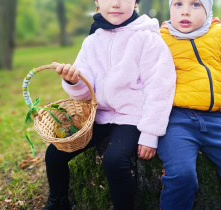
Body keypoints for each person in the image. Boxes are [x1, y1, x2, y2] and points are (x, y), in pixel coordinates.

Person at [43, 0, 176, 209]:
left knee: (114, 161)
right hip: (100, 115)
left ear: (135, 2)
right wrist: (73, 81)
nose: (115, 3)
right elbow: (84, 91)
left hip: (133, 118)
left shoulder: (147, 38)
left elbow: (161, 87)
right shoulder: (92, 41)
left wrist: (151, 133)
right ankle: (58, 202)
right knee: (54, 153)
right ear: (97, 2)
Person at [157, 0, 221, 209]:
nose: (185, 11)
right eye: (178, 4)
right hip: (176, 120)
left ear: (208, 9)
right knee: (182, 176)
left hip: (214, 120)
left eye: (195, 4)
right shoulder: (160, 39)